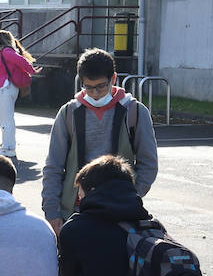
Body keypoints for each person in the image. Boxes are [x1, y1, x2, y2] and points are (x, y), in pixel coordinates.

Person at [41, 48, 158, 234]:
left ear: (113, 79)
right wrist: (52, 210)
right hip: (73, 211)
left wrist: (131, 196)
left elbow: (149, 163)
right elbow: (53, 165)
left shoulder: (134, 111)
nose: (95, 93)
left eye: (101, 87)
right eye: (88, 87)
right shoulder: (69, 113)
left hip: (119, 212)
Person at [0, 30, 35, 159]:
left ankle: (8, 148)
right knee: (6, 119)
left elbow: (21, 61)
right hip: (8, 87)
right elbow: (21, 61)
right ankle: (7, 145)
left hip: (6, 87)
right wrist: (31, 70)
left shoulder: (5, 52)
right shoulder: (7, 52)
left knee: (6, 119)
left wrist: (32, 70)